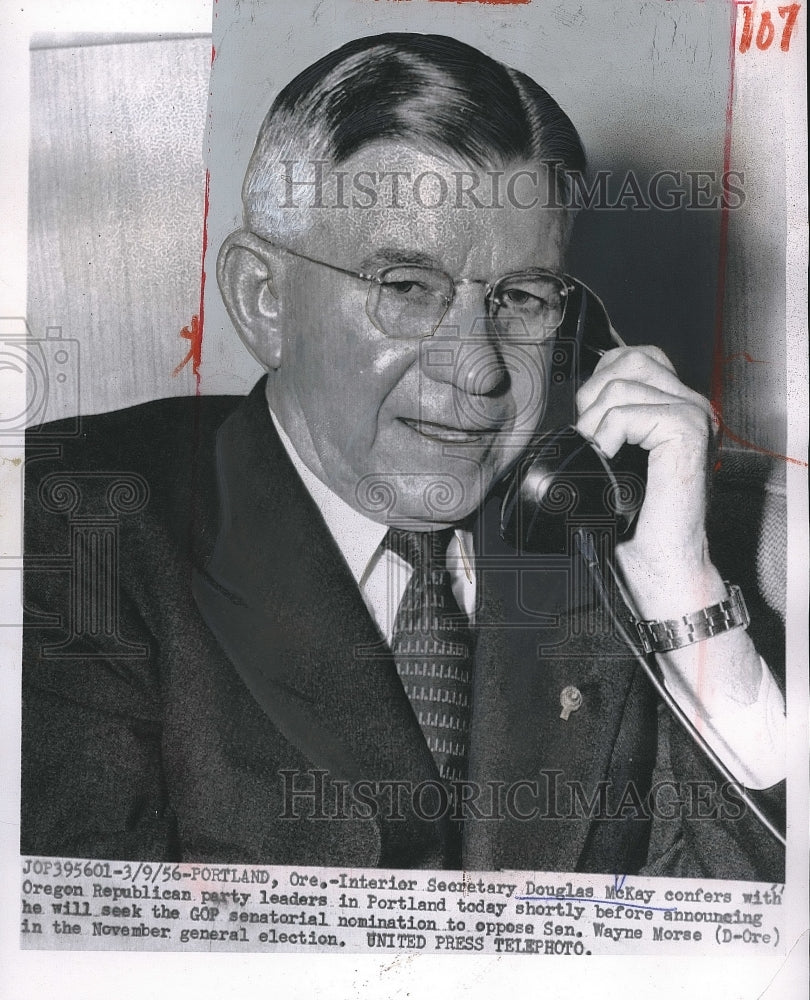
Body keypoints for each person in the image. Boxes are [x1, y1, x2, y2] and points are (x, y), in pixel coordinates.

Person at [21, 33, 785, 878]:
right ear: (263, 299)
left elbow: (753, 939)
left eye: (521, 298)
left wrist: (684, 591)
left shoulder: (610, 540)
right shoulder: (75, 520)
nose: (481, 369)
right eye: (408, 289)